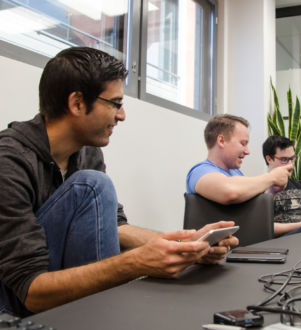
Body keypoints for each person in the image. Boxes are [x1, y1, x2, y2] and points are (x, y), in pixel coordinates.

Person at [0, 47, 238, 317]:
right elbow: (30, 290)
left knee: (93, 183)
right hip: (16, 303)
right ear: (77, 103)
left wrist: (186, 245)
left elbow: (115, 227)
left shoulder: (87, 151)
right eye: (115, 103)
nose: (122, 115)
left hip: (59, 292)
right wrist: (135, 264)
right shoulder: (9, 161)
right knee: (93, 184)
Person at [186, 114, 293, 205]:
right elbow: (230, 192)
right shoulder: (199, 171)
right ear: (222, 141)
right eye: (243, 143)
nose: (247, 151)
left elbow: (250, 207)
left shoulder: (236, 173)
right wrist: (272, 177)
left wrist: (272, 191)